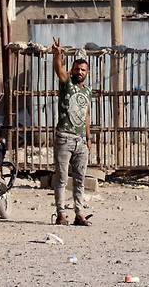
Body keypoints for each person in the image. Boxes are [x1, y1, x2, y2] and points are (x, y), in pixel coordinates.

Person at [51, 37, 92, 226]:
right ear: (72, 70)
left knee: (80, 178)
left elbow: (86, 115)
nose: (80, 72)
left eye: (83, 70)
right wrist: (57, 54)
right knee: (61, 178)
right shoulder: (67, 83)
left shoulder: (87, 91)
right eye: (77, 69)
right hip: (64, 138)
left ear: (87, 72)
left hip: (81, 140)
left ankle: (79, 213)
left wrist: (89, 137)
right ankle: (60, 213)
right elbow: (59, 70)